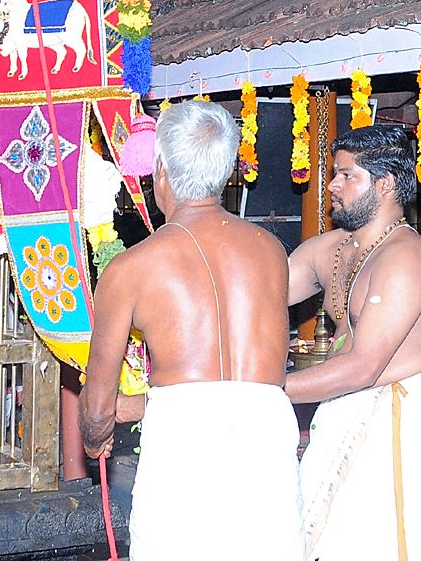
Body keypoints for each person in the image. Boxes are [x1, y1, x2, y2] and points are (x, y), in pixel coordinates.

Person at [81, 101, 301, 561]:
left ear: (160, 170)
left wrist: (95, 436)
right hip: (267, 441)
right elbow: (229, 383)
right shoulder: (271, 250)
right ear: (227, 172)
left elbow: (98, 405)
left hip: (184, 449)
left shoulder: (131, 269)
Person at [285, 124, 421, 561]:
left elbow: (362, 366)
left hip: (405, 424)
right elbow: (262, 294)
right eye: (334, 173)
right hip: (351, 408)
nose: (332, 185)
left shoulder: (407, 257)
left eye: (347, 175)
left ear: (385, 184)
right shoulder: (331, 249)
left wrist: (265, 390)